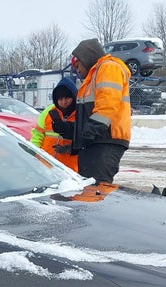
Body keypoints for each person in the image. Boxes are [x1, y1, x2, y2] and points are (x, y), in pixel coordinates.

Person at [70, 37, 132, 183]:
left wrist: (89, 131)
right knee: (90, 188)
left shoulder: (108, 68)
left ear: (85, 59)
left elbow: (107, 105)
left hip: (105, 139)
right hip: (98, 139)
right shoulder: (94, 75)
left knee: (96, 188)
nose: (78, 71)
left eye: (78, 66)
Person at [30, 76, 79, 172]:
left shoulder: (80, 114)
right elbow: (37, 137)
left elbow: (85, 141)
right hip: (45, 168)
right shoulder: (49, 112)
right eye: (60, 99)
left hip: (70, 171)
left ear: (74, 97)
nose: (64, 102)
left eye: (67, 98)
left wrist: (71, 149)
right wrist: (33, 158)